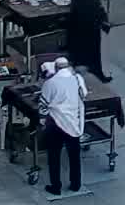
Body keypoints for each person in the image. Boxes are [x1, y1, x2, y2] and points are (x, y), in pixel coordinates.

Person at [39, 58, 87, 197]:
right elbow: (83, 95)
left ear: (56, 68)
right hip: (73, 122)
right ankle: (76, 184)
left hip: (55, 122)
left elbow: (43, 104)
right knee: (74, 155)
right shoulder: (77, 79)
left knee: (54, 156)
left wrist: (42, 119)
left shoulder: (51, 83)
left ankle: (56, 186)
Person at [64, 0, 112, 82]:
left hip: (74, 26)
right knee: (95, 52)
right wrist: (105, 22)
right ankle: (97, 73)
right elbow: (98, 10)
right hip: (90, 28)